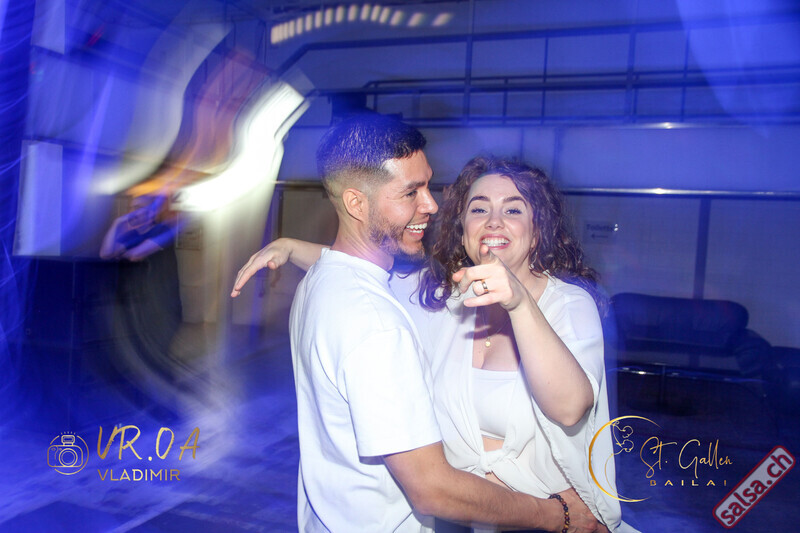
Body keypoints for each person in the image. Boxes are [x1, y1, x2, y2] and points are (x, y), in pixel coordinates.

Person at [236, 114, 601, 532]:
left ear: (539, 229)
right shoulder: (434, 302)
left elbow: (571, 407)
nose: (431, 205)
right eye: (478, 208)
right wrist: (555, 516)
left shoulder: (564, 304)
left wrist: (290, 246)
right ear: (464, 229)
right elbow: (432, 488)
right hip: (492, 515)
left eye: (513, 209)